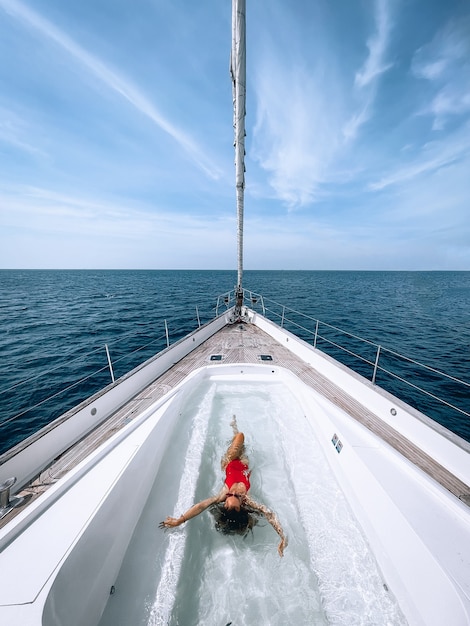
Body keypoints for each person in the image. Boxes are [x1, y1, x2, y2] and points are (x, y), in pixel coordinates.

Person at [159, 417, 288, 557]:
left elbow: (200, 506)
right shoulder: (248, 500)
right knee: (240, 443)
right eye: (234, 496)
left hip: (230, 460)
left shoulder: (222, 495)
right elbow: (269, 514)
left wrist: (180, 520)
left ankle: (235, 430)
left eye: (227, 498)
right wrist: (282, 537)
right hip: (244, 461)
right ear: (240, 507)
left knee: (240, 437)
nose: (231, 493)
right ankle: (234, 426)